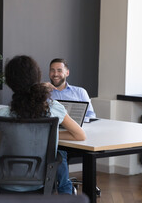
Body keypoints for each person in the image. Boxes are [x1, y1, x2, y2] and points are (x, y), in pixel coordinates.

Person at [0, 55, 86, 193]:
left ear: (9, 82)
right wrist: (50, 136)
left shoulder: (2, 115)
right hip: (41, 183)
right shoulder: (54, 108)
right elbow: (79, 135)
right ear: (37, 78)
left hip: (4, 184)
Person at [46, 58, 96, 194]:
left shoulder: (79, 92)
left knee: (58, 150)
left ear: (67, 73)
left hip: (74, 133)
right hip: (52, 132)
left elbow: (91, 115)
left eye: (59, 70)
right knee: (58, 149)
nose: (55, 74)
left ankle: (64, 190)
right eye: (52, 70)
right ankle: (65, 191)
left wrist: (72, 122)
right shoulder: (44, 92)